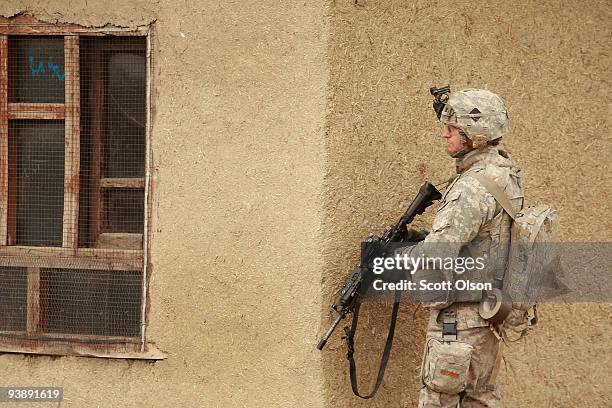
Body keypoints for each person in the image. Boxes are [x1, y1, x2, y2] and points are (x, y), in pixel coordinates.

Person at [398, 88, 524, 407]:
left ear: (474, 135)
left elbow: (435, 257)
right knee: (477, 400)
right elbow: (481, 237)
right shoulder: (505, 174)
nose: (444, 135)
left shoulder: (470, 188)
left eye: (452, 129)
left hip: (458, 327)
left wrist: (394, 258)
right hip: (486, 321)